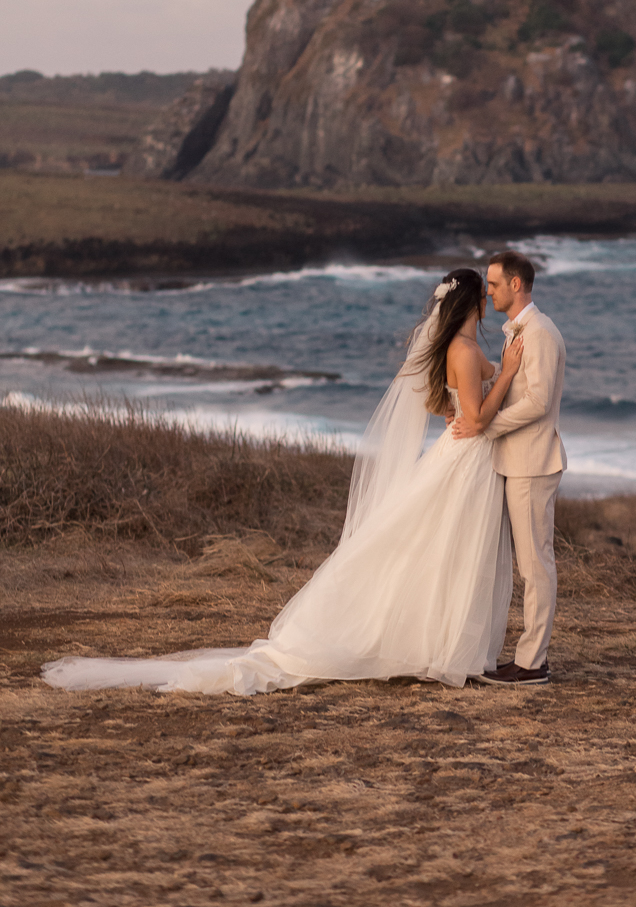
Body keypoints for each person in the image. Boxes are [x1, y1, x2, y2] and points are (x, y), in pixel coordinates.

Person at [41, 269, 523, 696]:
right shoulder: (464, 349)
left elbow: (441, 404)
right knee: (449, 551)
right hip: (465, 459)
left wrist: (455, 411)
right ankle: (440, 647)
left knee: (441, 550)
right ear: (473, 303)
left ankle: (438, 644)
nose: (489, 300)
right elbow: (477, 419)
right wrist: (509, 375)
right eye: (486, 294)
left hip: (460, 458)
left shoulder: (456, 348)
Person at [452, 250, 566, 688]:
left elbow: (537, 402)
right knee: (524, 565)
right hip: (515, 461)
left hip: (533, 464)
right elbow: (514, 382)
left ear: (516, 284)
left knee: (535, 566)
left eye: (495, 284)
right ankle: (522, 656)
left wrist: (485, 426)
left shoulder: (539, 333)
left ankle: (532, 663)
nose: (489, 292)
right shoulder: (520, 332)